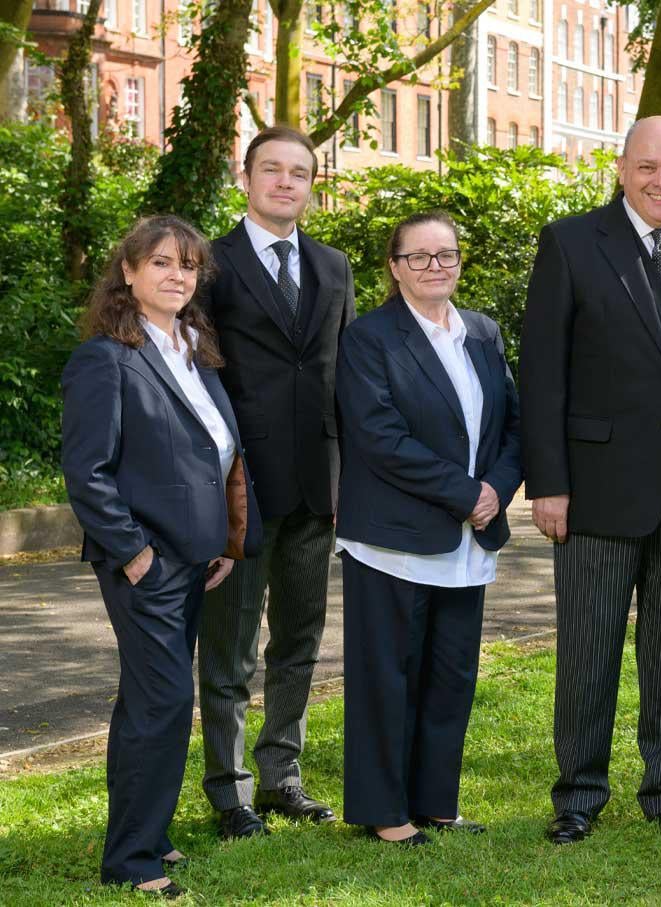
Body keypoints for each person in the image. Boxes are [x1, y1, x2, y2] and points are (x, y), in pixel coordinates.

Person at [520, 115, 661, 846]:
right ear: (620, 169)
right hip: (592, 487)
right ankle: (579, 794)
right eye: (648, 167)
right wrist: (547, 481)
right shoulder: (571, 242)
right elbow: (543, 372)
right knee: (587, 648)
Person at [62, 216, 262, 897]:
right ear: (128, 271)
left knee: (145, 702)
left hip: (197, 555)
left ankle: (149, 831)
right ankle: (132, 861)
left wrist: (229, 539)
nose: (176, 275)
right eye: (161, 263)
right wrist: (135, 553)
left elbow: (223, 453)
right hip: (144, 560)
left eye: (187, 265)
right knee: (165, 700)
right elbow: (88, 472)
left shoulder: (195, 345)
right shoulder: (106, 357)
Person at [334, 211, 522, 846]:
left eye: (446, 255)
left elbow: (512, 426)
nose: (435, 266)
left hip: (469, 536)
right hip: (392, 539)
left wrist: (497, 488)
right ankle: (384, 811)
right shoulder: (369, 339)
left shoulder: (483, 334)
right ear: (394, 267)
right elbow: (380, 437)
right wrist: (467, 494)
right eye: (419, 256)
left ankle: (437, 801)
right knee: (387, 678)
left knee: (451, 674)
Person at [197, 125, 356, 838]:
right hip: (237, 488)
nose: (285, 183)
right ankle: (229, 793)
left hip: (316, 487)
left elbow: (345, 379)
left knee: (299, 638)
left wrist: (350, 477)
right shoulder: (208, 264)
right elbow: (195, 380)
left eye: (299, 173)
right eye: (272, 170)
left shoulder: (335, 266)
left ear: (311, 185)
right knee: (229, 646)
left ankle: (280, 777)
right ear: (246, 177)